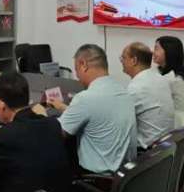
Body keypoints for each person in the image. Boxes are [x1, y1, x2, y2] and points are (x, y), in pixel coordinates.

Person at [41, 44, 137, 174]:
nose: (77, 76)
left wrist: (40, 114)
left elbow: (57, 133)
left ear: (83, 64)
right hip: (124, 173)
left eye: (76, 70)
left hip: (97, 177)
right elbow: (97, 113)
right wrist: (63, 107)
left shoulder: (86, 98)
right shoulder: (122, 90)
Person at [121, 42, 175, 149]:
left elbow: (120, 123)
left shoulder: (137, 87)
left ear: (134, 60)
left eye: (123, 58)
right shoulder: (160, 78)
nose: (121, 61)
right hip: (165, 146)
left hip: (147, 151)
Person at [153, 36, 184, 128]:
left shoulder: (172, 78)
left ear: (169, 51)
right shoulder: (173, 74)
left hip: (177, 126)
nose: (153, 52)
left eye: (156, 49)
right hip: (181, 122)